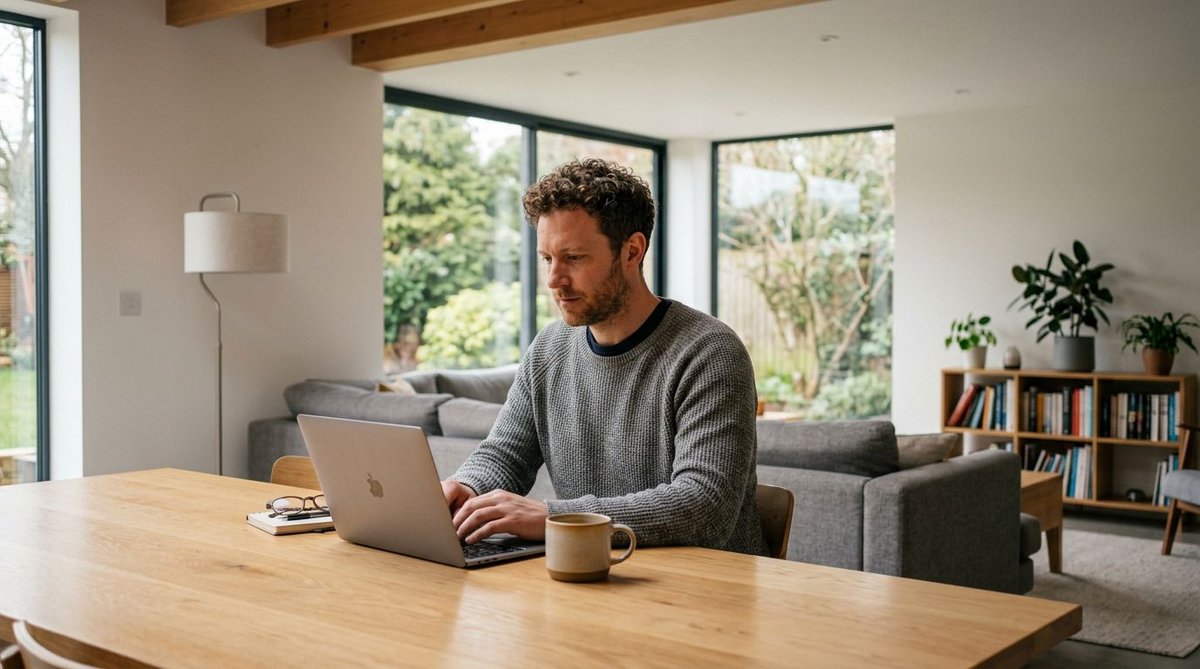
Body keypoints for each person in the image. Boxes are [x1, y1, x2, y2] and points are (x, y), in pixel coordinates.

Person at [442, 158, 767, 556]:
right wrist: (465, 487)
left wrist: (555, 517)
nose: (553, 281)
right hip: (590, 576)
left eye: (574, 258)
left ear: (632, 251)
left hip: (702, 595)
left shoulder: (709, 353)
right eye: (547, 258)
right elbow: (506, 453)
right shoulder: (549, 349)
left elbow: (704, 507)